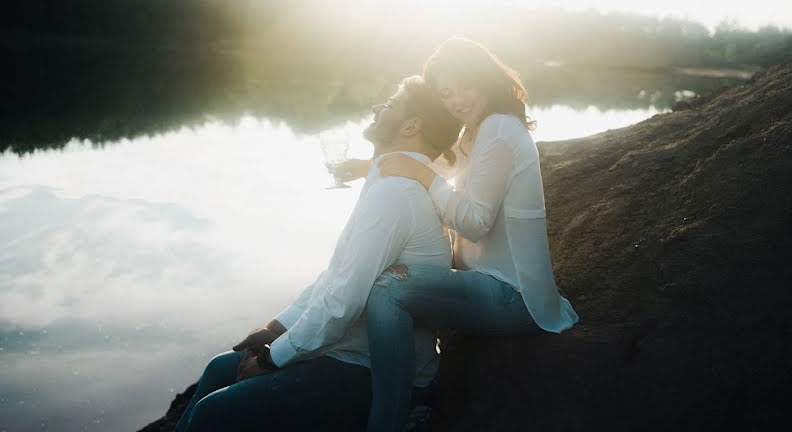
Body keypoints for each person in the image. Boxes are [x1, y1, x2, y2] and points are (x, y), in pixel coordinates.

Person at [173, 75, 462, 432]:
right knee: (219, 367)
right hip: (350, 350)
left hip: (370, 368)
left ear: (411, 125)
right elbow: (336, 275)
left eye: (390, 103)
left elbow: (343, 301)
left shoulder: (396, 195)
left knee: (211, 413)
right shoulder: (387, 181)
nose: (377, 107)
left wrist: (272, 358)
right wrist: (276, 328)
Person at [361, 37, 580, 431]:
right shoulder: (479, 129)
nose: (457, 99)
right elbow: (445, 169)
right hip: (489, 282)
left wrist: (421, 175)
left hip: (513, 295)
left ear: (485, 79)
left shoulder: (498, 130)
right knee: (406, 273)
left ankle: (395, 416)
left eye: (465, 85)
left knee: (388, 290)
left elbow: (475, 221)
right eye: (446, 94)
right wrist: (369, 166)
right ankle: (418, 391)